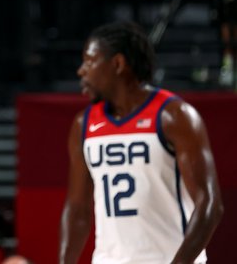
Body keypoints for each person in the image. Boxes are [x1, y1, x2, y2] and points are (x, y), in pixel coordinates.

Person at [59, 21, 224, 264]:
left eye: (90, 61)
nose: (81, 71)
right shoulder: (84, 124)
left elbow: (209, 204)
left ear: (117, 64)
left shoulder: (175, 116)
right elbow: (78, 209)